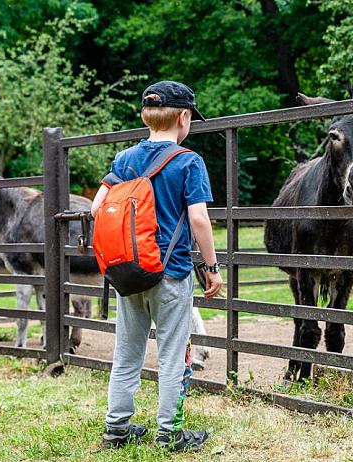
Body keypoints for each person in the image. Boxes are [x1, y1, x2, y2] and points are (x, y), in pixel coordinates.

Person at [91, 81, 223, 451]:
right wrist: (212, 267)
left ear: (144, 116)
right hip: (171, 271)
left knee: (127, 354)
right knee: (172, 355)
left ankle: (116, 429)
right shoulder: (188, 161)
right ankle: (170, 433)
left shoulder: (125, 159)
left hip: (129, 271)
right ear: (184, 117)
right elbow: (198, 219)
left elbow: (96, 208)